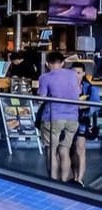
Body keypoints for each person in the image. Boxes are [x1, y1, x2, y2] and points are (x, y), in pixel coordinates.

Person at [37, 51, 81, 182]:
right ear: (62, 63)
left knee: (51, 150)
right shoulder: (74, 75)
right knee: (65, 150)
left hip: (53, 116)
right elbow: (77, 92)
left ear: (46, 63)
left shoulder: (45, 77)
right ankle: (63, 182)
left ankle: (53, 182)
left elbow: (41, 99)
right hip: (73, 116)